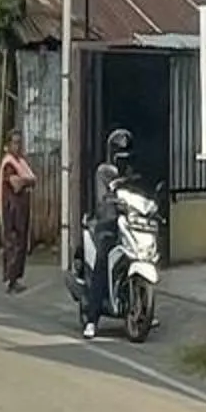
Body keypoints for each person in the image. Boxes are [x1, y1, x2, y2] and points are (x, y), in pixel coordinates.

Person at [79, 126, 133, 336]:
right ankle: (92, 319)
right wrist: (113, 201)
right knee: (103, 260)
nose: (123, 156)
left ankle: (140, 306)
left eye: (126, 152)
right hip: (107, 224)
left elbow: (139, 195)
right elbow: (104, 199)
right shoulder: (104, 172)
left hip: (128, 224)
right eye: (120, 152)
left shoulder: (130, 174)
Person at [0, 122, 37, 290]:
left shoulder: (21, 161)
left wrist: (27, 181)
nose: (18, 146)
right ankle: (10, 280)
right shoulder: (9, 163)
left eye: (20, 143)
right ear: (9, 145)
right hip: (11, 209)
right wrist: (27, 181)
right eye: (15, 143)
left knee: (21, 244)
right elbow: (17, 184)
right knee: (13, 243)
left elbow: (33, 179)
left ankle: (16, 278)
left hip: (21, 209)